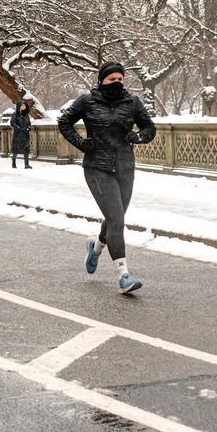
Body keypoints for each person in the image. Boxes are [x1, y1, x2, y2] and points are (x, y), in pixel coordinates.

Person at [57, 62, 156, 294]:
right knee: (116, 219)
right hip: (97, 168)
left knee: (115, 218)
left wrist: (138, 137)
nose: (117, 82)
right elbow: (64, 122)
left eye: (120, 79)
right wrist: (81, 143)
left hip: (125, 167)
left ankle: (96, 248)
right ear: (102, 80)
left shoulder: (132, 102)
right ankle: (124, 276)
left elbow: (150, 129)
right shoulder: (87, 101)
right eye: (112, 79)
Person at [10, 100, 32, 169]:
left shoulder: (26, 115)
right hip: (18, 134)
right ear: (19, 106)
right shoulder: (15, 114)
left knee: (26, 149)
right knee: (16, 149)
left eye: (24, 105)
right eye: (22, 105)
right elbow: (12, 122)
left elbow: (29, 123)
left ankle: (26, 164)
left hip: (25, 134)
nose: (24, 106)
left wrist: (28, 128)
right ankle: (13, 163)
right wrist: (18, 128)